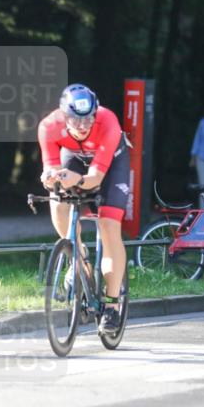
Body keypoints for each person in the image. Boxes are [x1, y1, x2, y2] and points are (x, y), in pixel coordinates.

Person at [37, 83, 130, 336]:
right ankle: (77, 255)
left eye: (88, 118)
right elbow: (51, 168)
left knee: (109, 226)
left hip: (109, 166)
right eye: (75, 120)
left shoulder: (108, 121)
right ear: (62, 116)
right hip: (74, 157)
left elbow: (96, 178)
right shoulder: (48, 126)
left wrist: (76, 180)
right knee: (57, 201)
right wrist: (51, 177)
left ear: (96, 112)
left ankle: (112, 304)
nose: (82, 125)